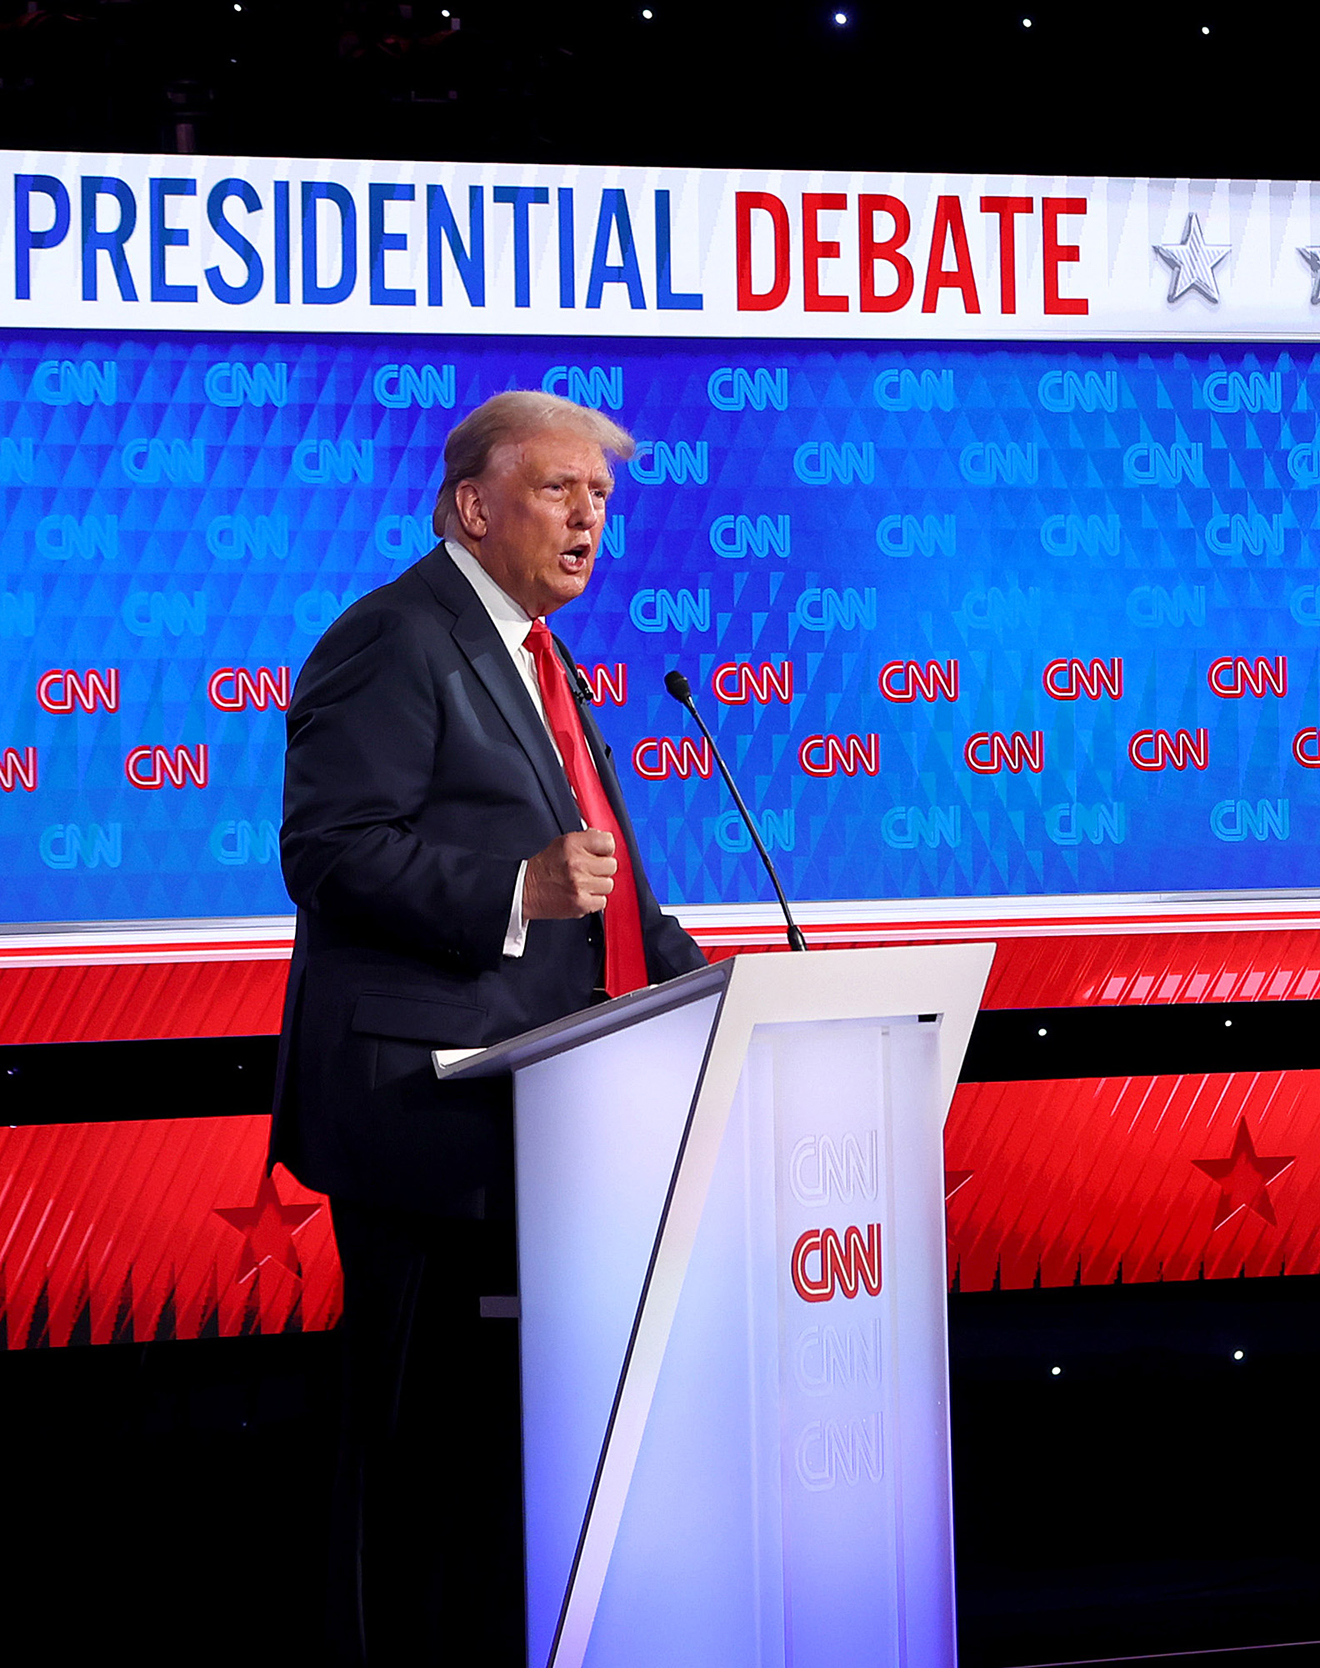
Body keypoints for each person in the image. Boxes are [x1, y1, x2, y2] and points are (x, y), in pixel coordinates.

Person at [270, 390, 709, 1664]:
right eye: (561, 492)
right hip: (424, 1121)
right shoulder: (398, 639)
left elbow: (605, 889)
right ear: (473, 504)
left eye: (603, 501)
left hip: (530, 1128)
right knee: (410, 1457)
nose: (590, 522)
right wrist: (508, 889)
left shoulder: (533, 655)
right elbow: (329, 851)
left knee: (487, 1465)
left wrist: (719, 990)